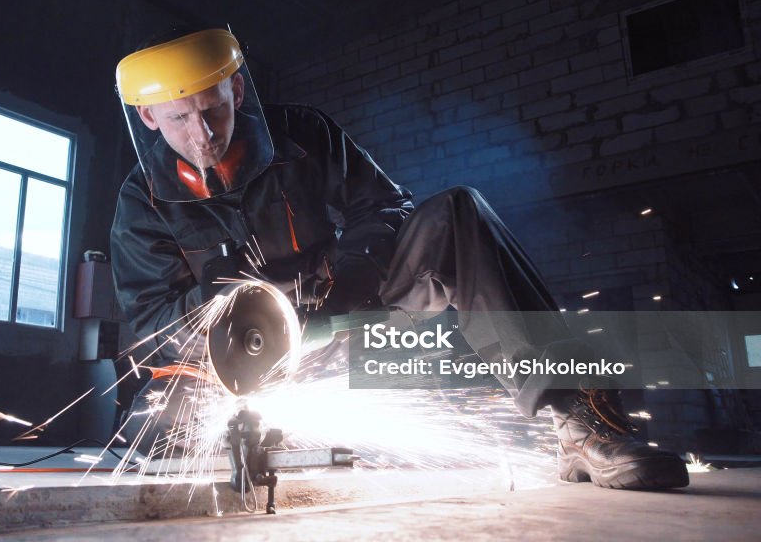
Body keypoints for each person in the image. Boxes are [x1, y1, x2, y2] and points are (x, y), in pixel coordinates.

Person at [109, 26, 689, 489]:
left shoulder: (303, 133)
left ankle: (579, 422)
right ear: (149, 117)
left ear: (236, 90)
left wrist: (340, 266)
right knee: (161, 421)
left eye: (212, 109)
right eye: (181, 118)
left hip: (341, 315)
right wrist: (218, 304)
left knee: (457, 213)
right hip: (237, 362)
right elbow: (150, 325)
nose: (202, 133)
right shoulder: (141, 205)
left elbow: (389, 208)